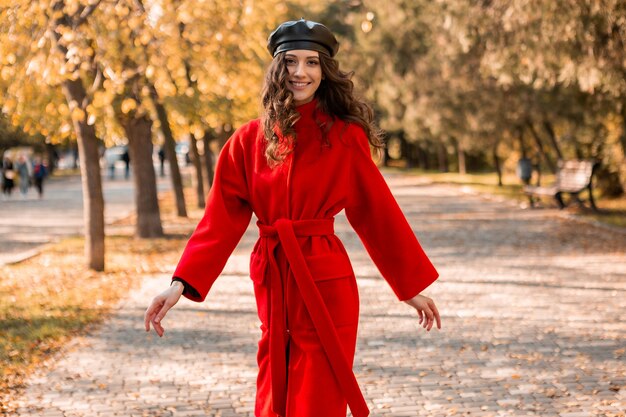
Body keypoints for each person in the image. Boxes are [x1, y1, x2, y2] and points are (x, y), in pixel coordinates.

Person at [144, 19, 441, 417]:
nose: (301, 72)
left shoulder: (344, 136)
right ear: (277, 69)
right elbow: (218, 222)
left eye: (312, 63)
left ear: (324, 71)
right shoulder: (247, 141)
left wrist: (409, 285)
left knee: (319, 389)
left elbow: (377, 211)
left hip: (326, 277)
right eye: (291, 62)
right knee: (274, 378)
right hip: (272, 274)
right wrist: (180, 284)